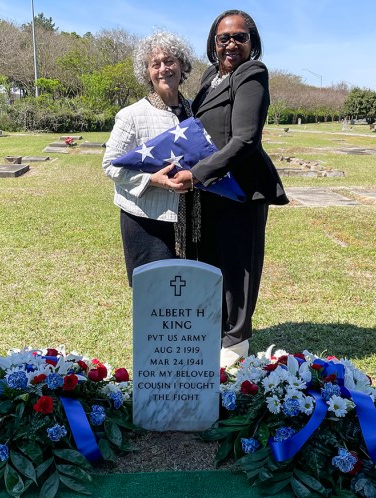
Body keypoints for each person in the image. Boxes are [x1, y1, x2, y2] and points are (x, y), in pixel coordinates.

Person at [173, 10, 288, 365]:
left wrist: (196, 174)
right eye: (224, 38)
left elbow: (245, 140)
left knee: (238, 263)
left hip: (239, 188)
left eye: (240, 37)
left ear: (252, 43)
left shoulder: (252, 73)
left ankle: (236, 341)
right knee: (210, 260)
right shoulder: (210, 77)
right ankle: (213, 329)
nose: (231, 44)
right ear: (213, 42)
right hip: (209, 190)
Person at [102, 31, 195, 286]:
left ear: (182, 65)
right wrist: (152, 180)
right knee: (152, 300)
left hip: (191, 223)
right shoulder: (131, 115)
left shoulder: (194, 111)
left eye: (169, 61)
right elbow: (110, 165)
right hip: (146, 222)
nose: (163, 69)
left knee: (186, 295)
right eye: (155, 64)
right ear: (147, 72)